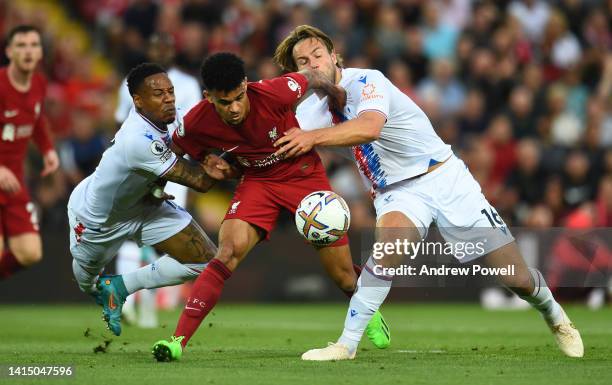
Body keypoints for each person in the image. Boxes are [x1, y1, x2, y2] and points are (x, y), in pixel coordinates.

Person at [272, 25, 583, 360]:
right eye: (303, 61)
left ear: (333, 56)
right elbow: (271, 144)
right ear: (296, 73)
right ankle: (346, 346)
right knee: (387, 252)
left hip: (444, 177)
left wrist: (312, 139)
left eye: (317, 55)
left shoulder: (367, 81)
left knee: (516, 278)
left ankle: (556, 317)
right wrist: (228, 162)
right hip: (396, 192)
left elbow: (369, 127)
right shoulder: (306, 115)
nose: (312, 64)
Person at [151, 52, 391, 362]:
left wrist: (335, 95)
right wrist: (202, 163)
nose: (235, 108)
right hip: (257, 182)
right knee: (227, 252)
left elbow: (313, 76)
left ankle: (367, 311)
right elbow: (170, 156)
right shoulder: (196, 122)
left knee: (344, 277)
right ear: (209, 97)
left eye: (239, 97)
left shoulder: (276, 90)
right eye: (226, 103)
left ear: (246, 85)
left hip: (304, 176)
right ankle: (176, 342)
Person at [68, 63, 229, 336]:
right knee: (87, 283)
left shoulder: (170, 118)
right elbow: (200, 181)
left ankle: (120, 286)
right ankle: (103, 288)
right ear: (138, 101)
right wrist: (236, 160)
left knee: (206, 261)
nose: (168, 99)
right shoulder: (137, 139)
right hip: (98, 218)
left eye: (170, 92)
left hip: (145, 206)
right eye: (158, 94)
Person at [114, 33, 202, 327]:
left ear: (172, 50)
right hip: (142, 164)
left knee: (160, 238)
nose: (160, 49)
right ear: (149, 49)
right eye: (155, 45)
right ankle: (128, 300)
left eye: (165, 45)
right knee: (136, 232)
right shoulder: (130, 84)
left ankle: (144, 304)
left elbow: (196, 126)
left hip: (176, 167)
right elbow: (120, 125)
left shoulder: (187, 85)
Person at [0, 25, 59, 279]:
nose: (28, 51)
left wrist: (47, 149)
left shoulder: (38, 83)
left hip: (14, 183)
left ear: (41, 52)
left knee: (30, 252)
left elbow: (37, 118)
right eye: (21, 45)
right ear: (9, 52)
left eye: (33, 45)